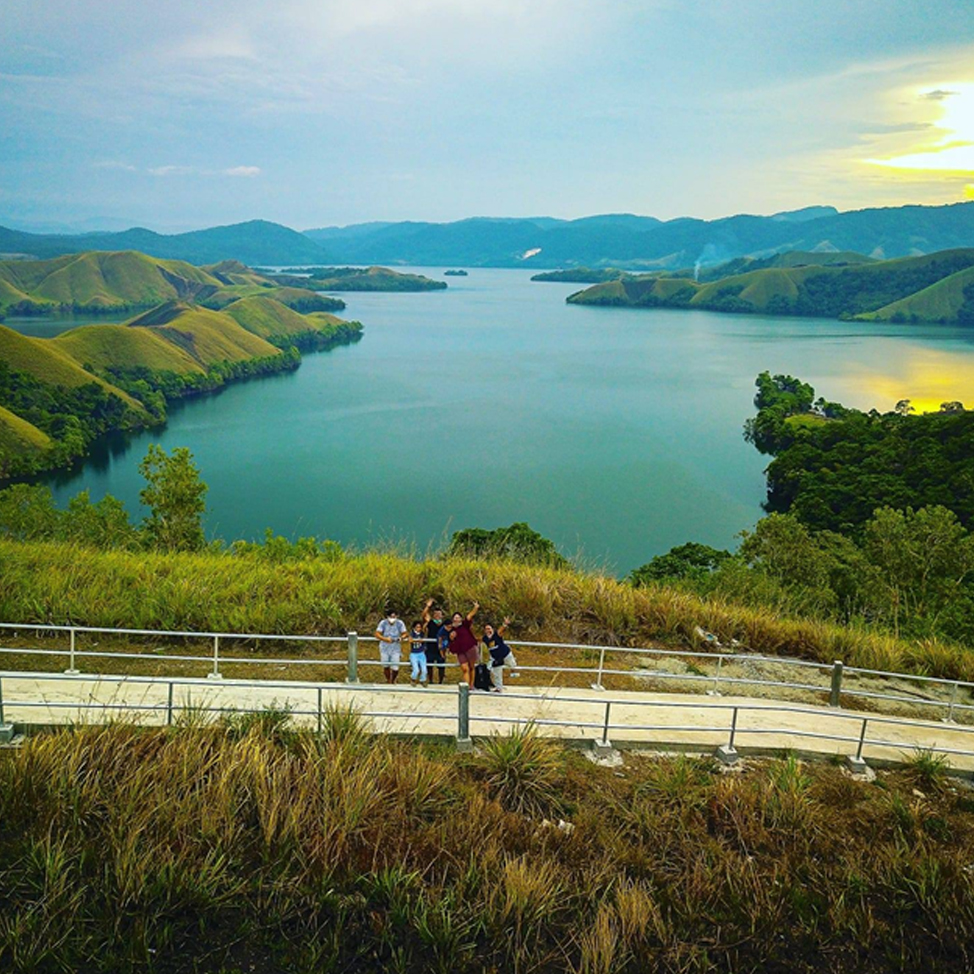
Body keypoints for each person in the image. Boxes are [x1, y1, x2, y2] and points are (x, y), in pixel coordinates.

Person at [446, 602, 480, 689]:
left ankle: (471, 685)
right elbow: (449, 640)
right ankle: (466, 687)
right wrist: (451, 637)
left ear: (461, 619)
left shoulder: (465, 625)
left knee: (472, 667)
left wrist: (475, 608)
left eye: (458, 617)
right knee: (465, 668)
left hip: (470, 648)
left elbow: (469, 616)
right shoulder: (451, 629)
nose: (456, 619)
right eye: (455, 617)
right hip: (460, 650)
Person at [482, 617, 517, 692]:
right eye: (486, 629)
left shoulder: (496, 635)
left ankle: (513, 671)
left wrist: (505, 624)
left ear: (492, 629)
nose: (488, 631)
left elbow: (501, 630)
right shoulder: (485, 638)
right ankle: (499, 688)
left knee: (512, 665)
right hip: (496, 658)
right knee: (496, 672)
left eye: (489, 629)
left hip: (505, 654)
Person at [375, 609, 407, 684]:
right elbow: (377, 634)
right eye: (391, 616)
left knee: (395, 667)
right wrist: (385, 639)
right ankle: (388, 680)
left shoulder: (400, 623)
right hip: (384, 648)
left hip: (395, 648)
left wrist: (401, 638)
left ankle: (393, 680)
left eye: (394, 616)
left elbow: (405, 633)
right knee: (385, 666)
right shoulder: (383, 623)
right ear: (387, 617)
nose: (392, 618)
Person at [421, 599, 448, 685]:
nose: (437, 615)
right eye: (435, 614)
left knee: (441, 665)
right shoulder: (430, 622)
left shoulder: (444, 624)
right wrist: (428, 606)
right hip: (430, 647)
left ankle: (440, 681)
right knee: (429, 665)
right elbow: (423, 615)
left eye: (439, 614)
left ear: (442, 615)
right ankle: (431, 681)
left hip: (440, 648)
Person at [407, 620, 428, 687]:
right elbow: (410, 640)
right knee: (416, 669)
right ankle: (413, 679)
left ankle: (423, 680)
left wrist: (427, 621)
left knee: (424, 669)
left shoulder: (422, 633)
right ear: (414, 628)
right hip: (414, 654)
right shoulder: (412, 633)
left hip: (421, 653)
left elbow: (425, 628)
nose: (418, 629)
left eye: (419, 627)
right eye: (417, 627)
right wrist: (417, 640)